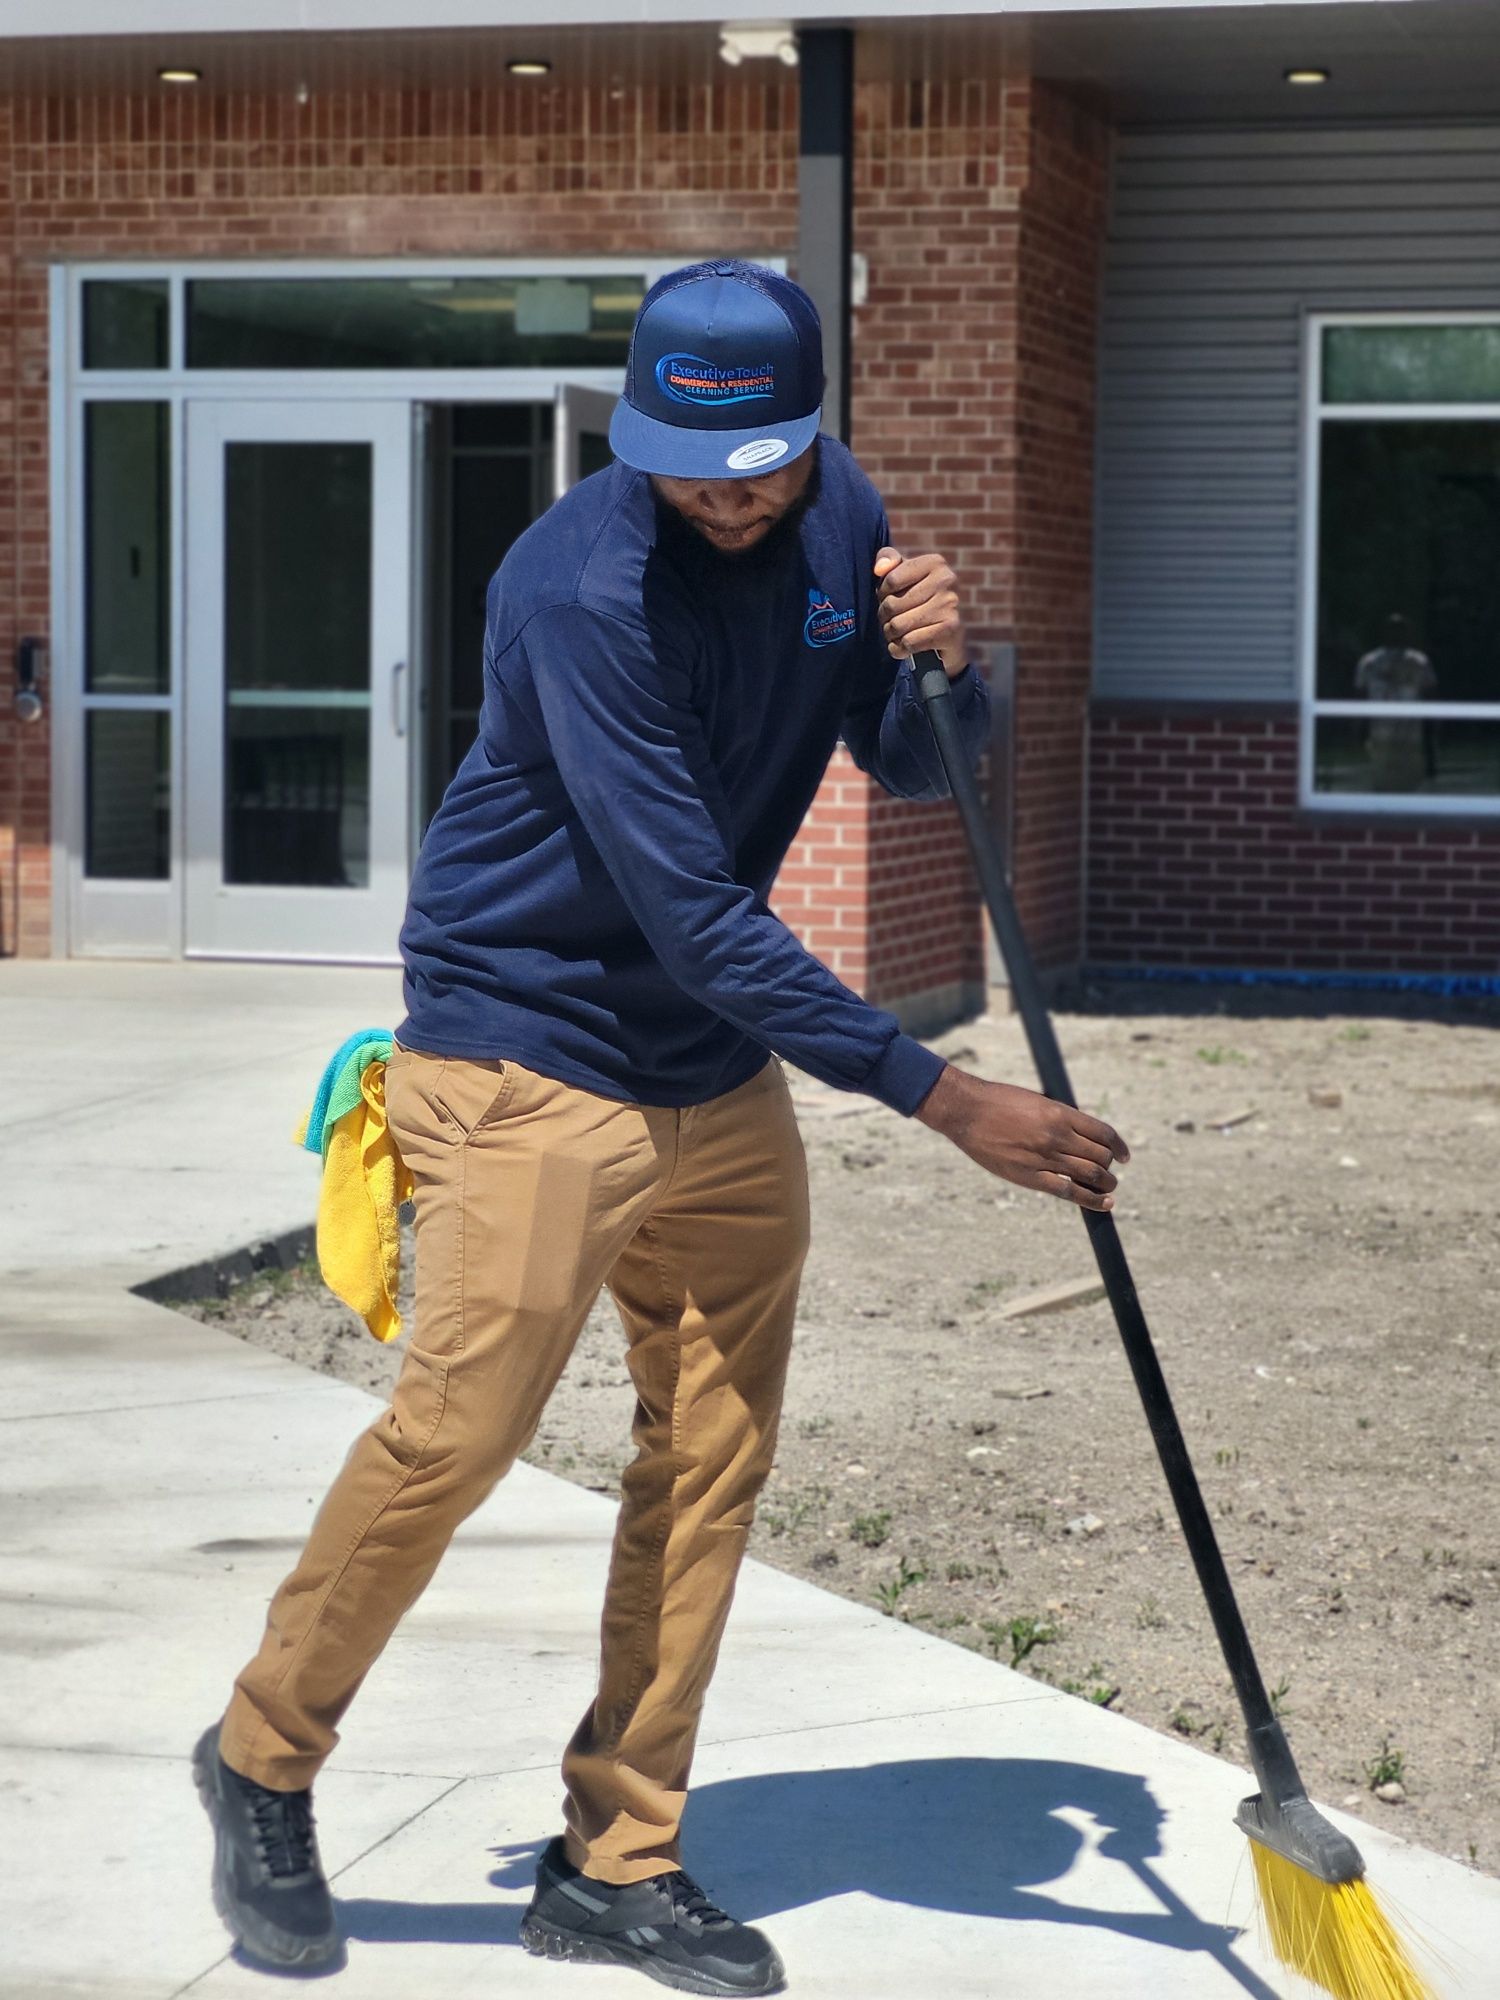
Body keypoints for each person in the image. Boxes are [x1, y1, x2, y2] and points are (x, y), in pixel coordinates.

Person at [192, 260, 1128, 1998]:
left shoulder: (841, 512)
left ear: (810, 434)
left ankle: (616, 1854)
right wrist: (942, 1093)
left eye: (757, 463)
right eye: (687, 460)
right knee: (456, 1440)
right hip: (527, 1050)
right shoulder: (578, 593)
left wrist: (953, 668)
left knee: (707, 1461)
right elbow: (696, 910)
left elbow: (912, 759)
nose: (722, 492)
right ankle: (260, 1757)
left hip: (713, 1072)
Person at [1355, 611, 1437, 793]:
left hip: (1410, 732)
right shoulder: (1369, 663)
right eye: (1392, 629)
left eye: (1400, 629)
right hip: (1380, 732)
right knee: (1382, 778)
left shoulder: (1419, 662)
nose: (1396, 634)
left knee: (1410, 780)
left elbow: (1430, 695)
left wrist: (1430, 732)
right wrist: (1360, 727)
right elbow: (1360, 696)